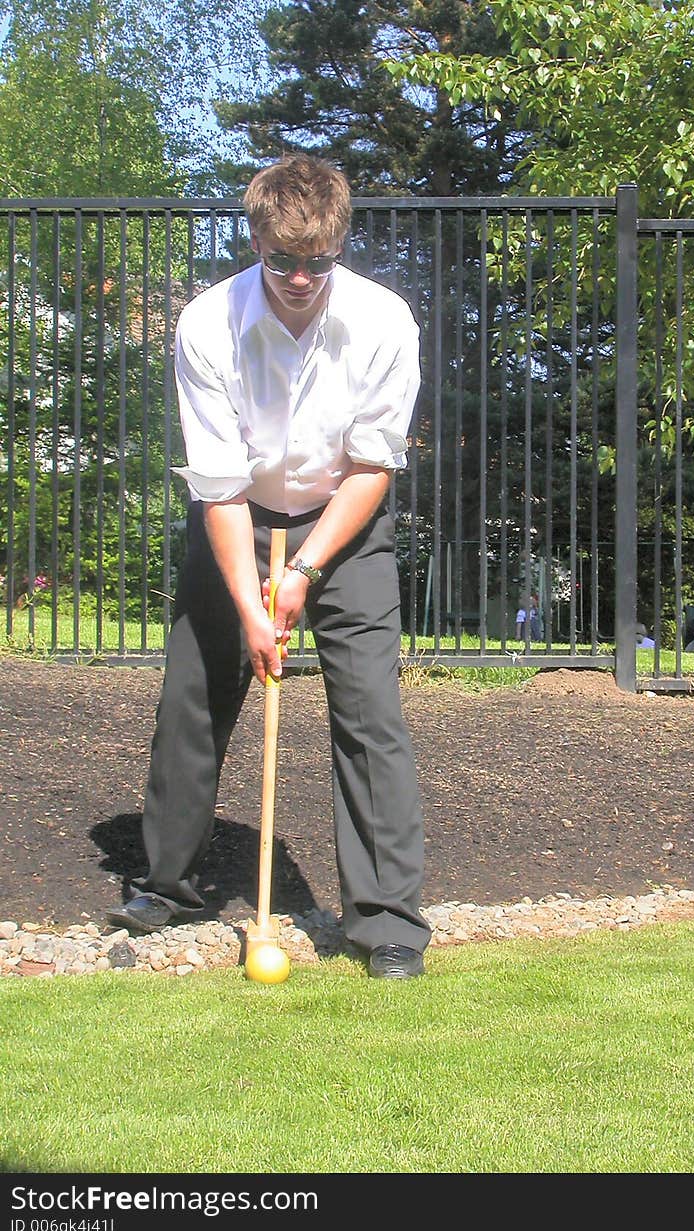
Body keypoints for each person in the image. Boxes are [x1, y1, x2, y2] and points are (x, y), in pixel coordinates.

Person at [107, 153, 430, 980]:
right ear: (254, 239)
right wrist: (251, 609)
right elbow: (217, 484)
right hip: (237, 512)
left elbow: (371, 467)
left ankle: (387, 919)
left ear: (339, 244)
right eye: (281, 260)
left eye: (316, 262)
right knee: (194, 691)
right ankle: (167, 884)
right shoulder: (206, 324)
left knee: (369, 709)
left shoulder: (385, 321)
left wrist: (304, 572)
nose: (297, 277)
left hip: (343, 519)